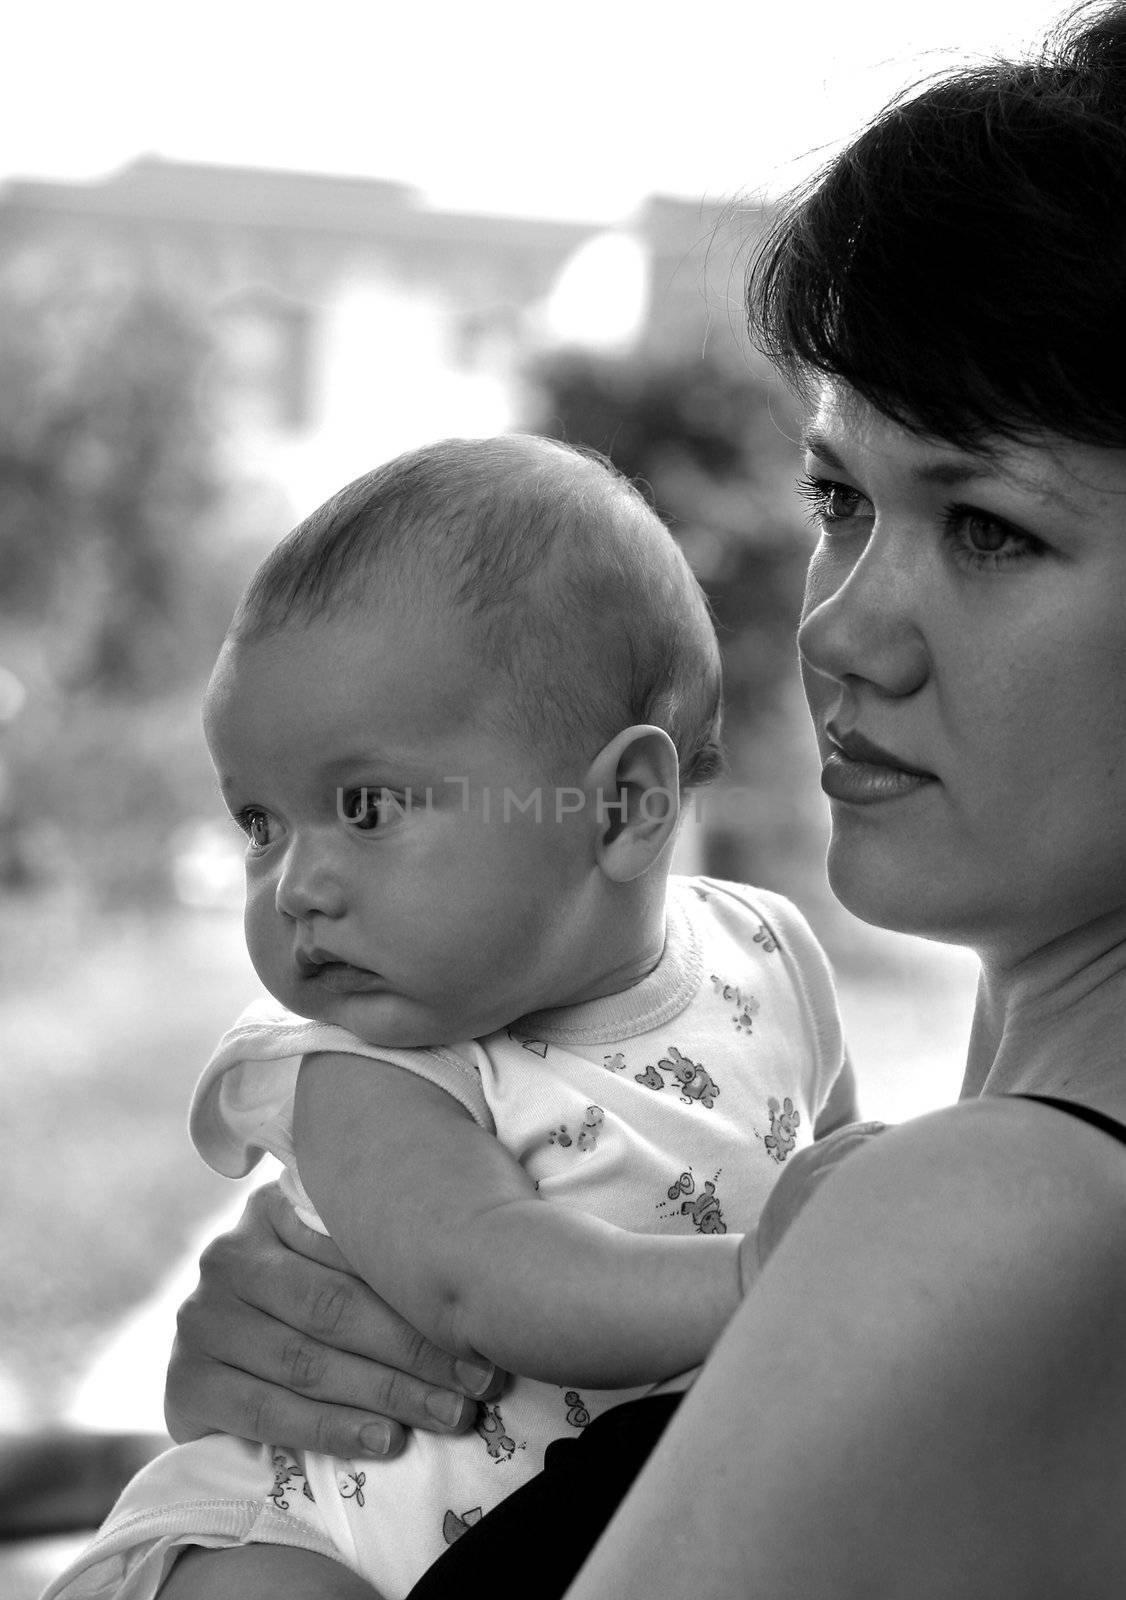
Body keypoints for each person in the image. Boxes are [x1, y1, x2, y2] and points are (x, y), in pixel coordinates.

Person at [145, 2, 1126, 1595]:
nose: (837, 626)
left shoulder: (983, 1217)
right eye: (840, 499)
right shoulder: (918, 1179)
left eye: (992, 528)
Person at [43, 434, 859, 1600]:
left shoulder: (770, 952)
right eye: (261, 823)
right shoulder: (358, 1058)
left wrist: (840, 1231)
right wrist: (770, 1276)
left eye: (364, 807)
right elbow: (482, 1277)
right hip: (307, 1527)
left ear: (623, 803)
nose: (296, 884)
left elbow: (829, 1175)